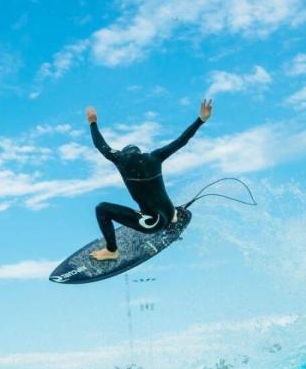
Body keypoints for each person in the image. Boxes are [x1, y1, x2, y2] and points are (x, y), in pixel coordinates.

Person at [86, 99, 213, 261]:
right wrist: (201, 120)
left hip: (154, 223)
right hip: (169, 213)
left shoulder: (121, 160)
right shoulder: (155, 157)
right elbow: (181, 141)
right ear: (140, 152)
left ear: (124, 153)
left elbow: (100, 145)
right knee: (156, 199)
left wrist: (92, 122)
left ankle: (112, 251)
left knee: (102, 209)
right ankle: (173, 217)